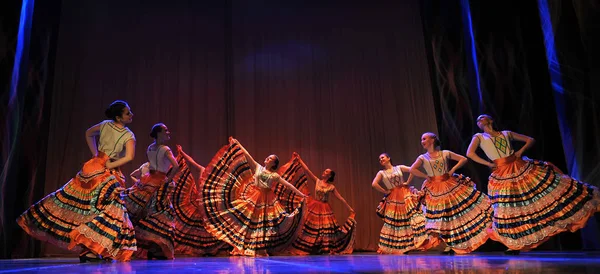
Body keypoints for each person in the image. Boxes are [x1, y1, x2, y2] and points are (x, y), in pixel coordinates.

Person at [17, 100, 137, 262]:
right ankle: (91, 250)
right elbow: (129, 156)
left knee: (87, 207)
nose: (131, 115)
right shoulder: (128, 135)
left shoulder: (105, 125)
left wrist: (97, 155)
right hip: (108, 170)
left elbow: (88, 133)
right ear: (118, 117)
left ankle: (91, 249)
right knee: (110, 210)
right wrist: (110, 163)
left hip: (94, 166)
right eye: (127, 113)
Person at [466, 114, 600, 254]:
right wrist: (488, 163)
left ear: (491, 120)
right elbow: (470, 153)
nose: (479, 119)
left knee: (538, 197)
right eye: (478, 119)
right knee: (508, 206)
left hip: (519, 166)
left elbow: (530, 140)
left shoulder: (506, 133)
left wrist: (520, 151)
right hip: (502, 172)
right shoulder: (479, 137)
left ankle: (587, 201)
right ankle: (515, 242)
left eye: (482, 117)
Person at [201, 137, 307, 256]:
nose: (268, 158)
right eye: (268, 157)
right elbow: (247, 154)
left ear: (274, 163)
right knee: (246, 221)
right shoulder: (258, 167)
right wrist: (238, 143)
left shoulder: (274, 175)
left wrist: (301, 194)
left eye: (271, 158)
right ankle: (242, 245)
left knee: (261, 223)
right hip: (253, 196)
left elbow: (288, 185)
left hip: (266, 200)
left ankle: (259, 247)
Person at [410, 132, 493, 254]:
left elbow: (463, 159)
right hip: (434, 189)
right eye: (422, 139)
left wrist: (453, 169)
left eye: (424, 139)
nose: (422, 141)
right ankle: (447, 243)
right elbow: (412, 169)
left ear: (432, 140)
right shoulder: (423, 157)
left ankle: (458, 242)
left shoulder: (445, 153)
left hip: (449, 184)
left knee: (453, 214)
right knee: (441, 216)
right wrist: (426, 176)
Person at [123, 123, 179, 259]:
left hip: (149, 180)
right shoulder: (165, 149)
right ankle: (157, 247)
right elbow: (176, 165)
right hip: (159, 181)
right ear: (159, 133)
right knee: (161, 213)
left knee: (148, 211)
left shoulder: (150, 148)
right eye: (165, 130)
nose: (168, 132)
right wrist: (168, 178)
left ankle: (153, 247)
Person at [285, 152, 356, 255]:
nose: (324, 171)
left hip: (325, 208)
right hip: (315, 206)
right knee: (311, 227)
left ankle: (324, 247)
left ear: (330, 175)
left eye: (326, 171)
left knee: (325, 228)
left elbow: (340, 198)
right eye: (325, 170)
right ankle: (311, 247)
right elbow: (308, 170)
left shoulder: (331, 187)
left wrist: (349, 208)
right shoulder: (317, 181)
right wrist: (300, 160)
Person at [169, 145, 227, 256]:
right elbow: (191, 162)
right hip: (197, 202)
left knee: (207, 227)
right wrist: (182, 153)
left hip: (207, 205)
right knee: (196, 227)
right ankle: (200, 248)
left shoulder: (216, 177)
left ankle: (209, 248)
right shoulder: (203, 170)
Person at [372, 153, 435, 254]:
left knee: (412, 216)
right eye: (379, 159)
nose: (381, 160)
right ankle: (400, 246)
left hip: (405, 194)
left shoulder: (399, 168)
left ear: (388, 158)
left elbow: (412, 170)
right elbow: (374, 184)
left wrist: (407, 182)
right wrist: (385, 191)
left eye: (382, 157)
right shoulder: (381, 173)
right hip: (394, 197)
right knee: (396, 221)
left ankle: (417, 242)